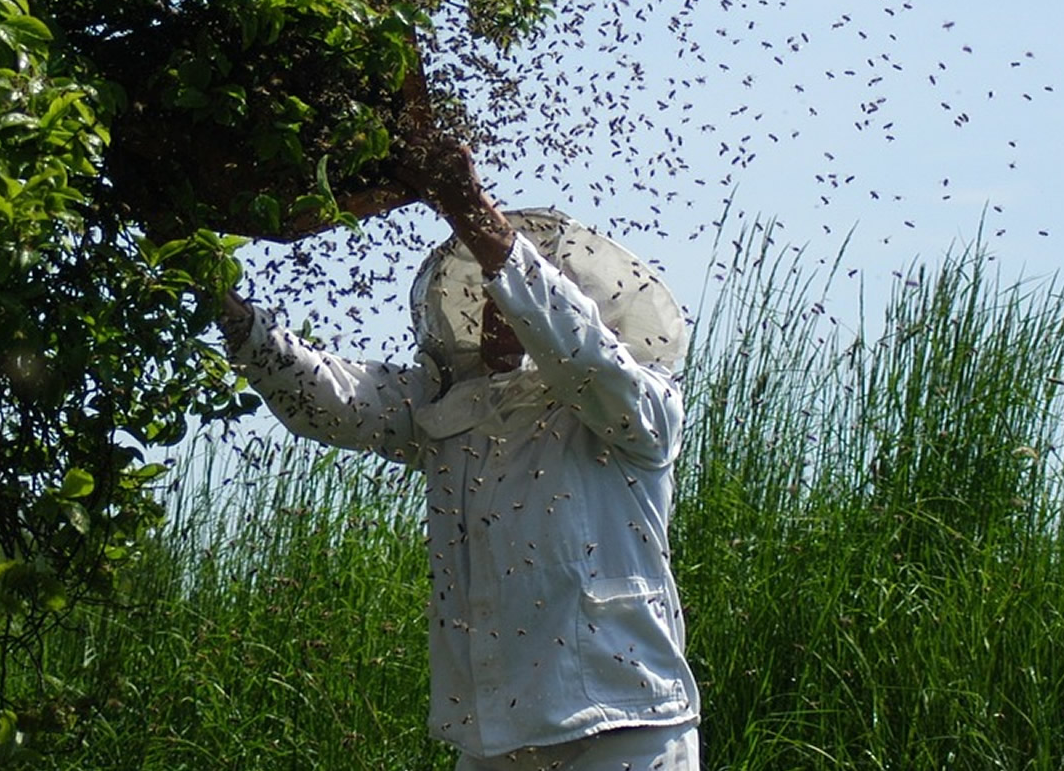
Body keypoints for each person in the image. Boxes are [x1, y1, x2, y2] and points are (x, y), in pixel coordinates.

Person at [217, 137, 702, 771]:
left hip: (623, 723)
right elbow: (330, 397)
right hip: (490, 735)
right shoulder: (447, 404)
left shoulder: (638, 404)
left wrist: (470, 208)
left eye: (515, 293)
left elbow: (580, 354)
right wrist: (232, 315)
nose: (499, 311)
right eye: (490, 297)